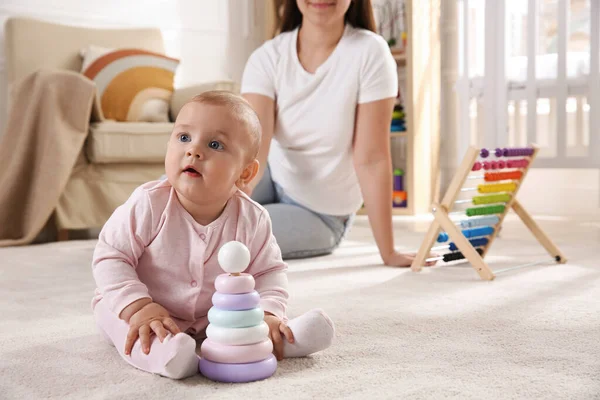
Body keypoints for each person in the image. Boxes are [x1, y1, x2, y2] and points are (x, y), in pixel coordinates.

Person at [91, 91, 335, 379]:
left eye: (215, 144)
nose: (193, 151)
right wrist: (139, 306)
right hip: (135, 305)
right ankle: (166, 355)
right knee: (124, 326)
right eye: (184, 138)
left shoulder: (252, 218)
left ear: (245, 173)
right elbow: (111, 256)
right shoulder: (149, 204)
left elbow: (270, 272)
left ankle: (280, 339)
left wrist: (268, 313)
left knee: (249, 324)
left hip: (213, 317)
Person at [241, 0, 436, 267]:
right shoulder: (268, 56)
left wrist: (388, 251)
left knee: (236, 239)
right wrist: (209, 202)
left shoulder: (370, 52)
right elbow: (255, 147)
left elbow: (372, 158)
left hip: (321, 212)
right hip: (273, 177)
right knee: (190, 188)